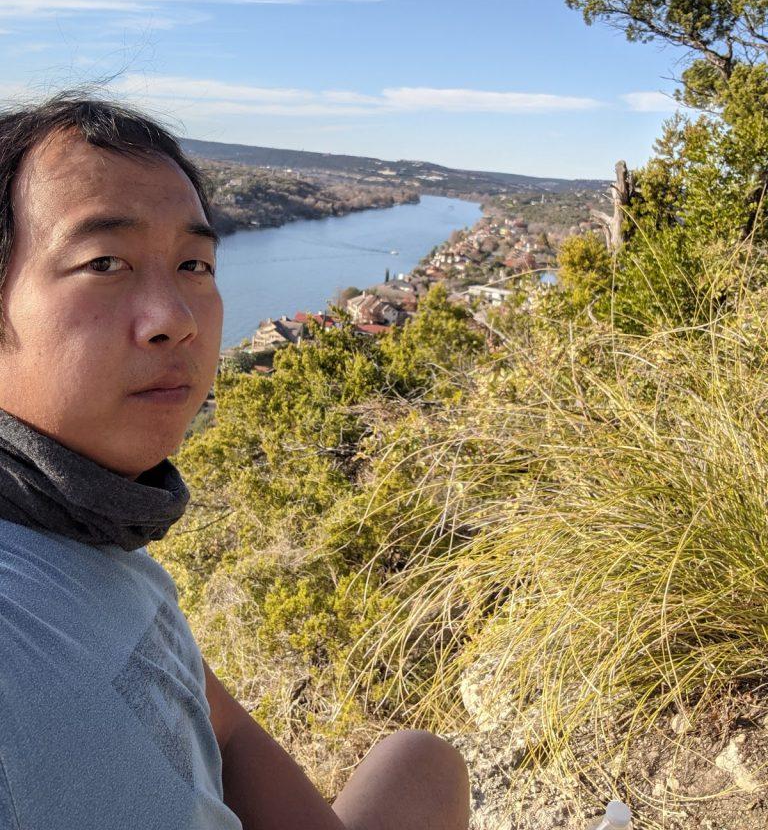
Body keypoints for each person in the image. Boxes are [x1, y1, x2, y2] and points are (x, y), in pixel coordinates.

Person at [0, 94, 471, 830]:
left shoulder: (90, 535)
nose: (177, 319)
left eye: (195, 264)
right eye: (104, 262)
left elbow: (222, 727)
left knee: (423, 762)